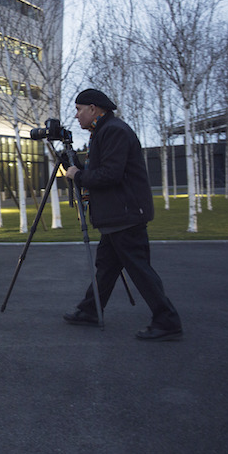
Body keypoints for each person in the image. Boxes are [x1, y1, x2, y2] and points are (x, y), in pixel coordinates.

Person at [63, 88, 183, 341]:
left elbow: (110, 175)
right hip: (118, 214)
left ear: (93, 109)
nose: (76, 116)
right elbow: (106, 171)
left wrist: (78, 175)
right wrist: (76, 166)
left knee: (139, 269)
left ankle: (167, 321)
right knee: (106, 267)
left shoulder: (113, 131)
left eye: (78, 109)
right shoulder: (104, 131)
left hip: (125, 215)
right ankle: (90, 310)